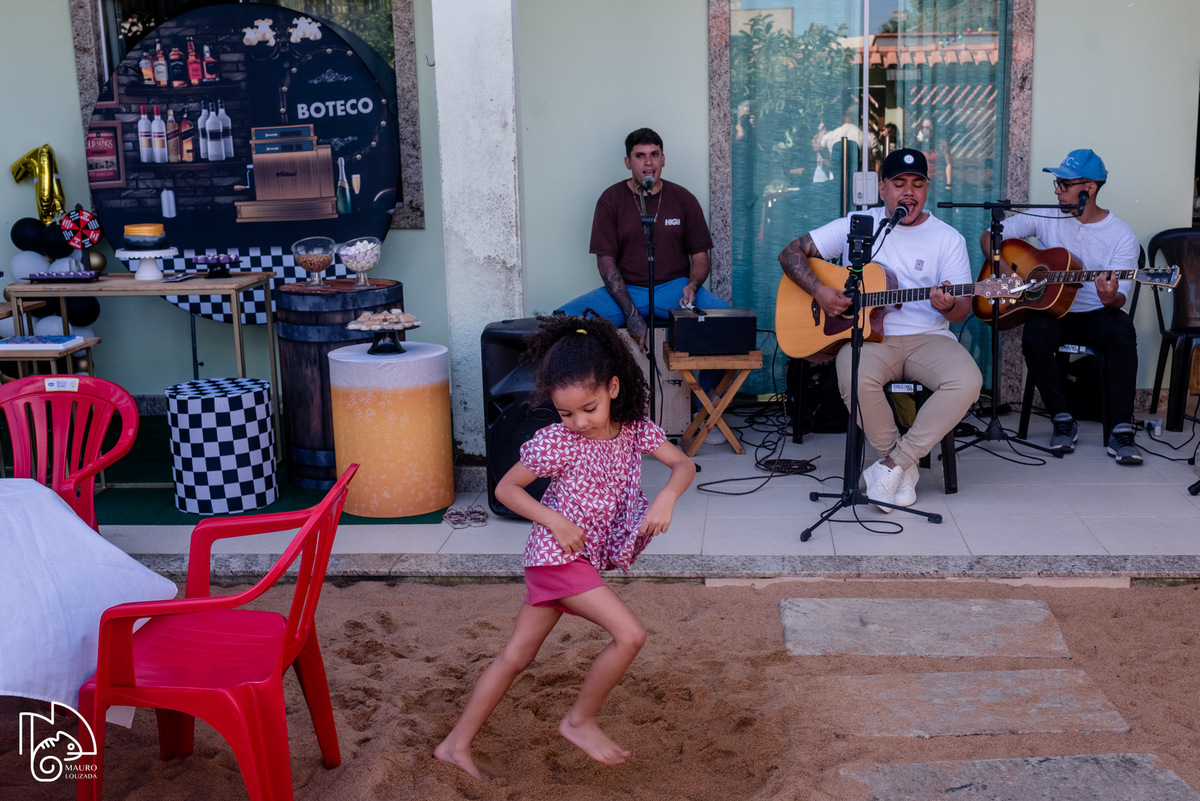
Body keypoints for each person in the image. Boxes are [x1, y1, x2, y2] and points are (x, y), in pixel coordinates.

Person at [434, 314, 696, 780]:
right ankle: (579, 720)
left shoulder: (634, 428)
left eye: (588, 408)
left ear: (614, 388)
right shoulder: (559, 442)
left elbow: (683, 465)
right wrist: (554, 519)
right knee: (630, 635)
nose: (577, 422)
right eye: (565, 412)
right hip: (555, 557)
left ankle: (455, 745)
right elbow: (507, 489)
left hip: (572, 559)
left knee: (516, 656)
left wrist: (667, 496)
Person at [777, 148, 982, 511]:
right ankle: (900, 468)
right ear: (883, 188)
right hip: (871, 338)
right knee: (852, 373)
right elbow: (791, 252)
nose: (909, 192)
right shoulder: (859, 225)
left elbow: (962, 310)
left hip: (929, 338)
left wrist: (949, 304)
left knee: (967, 380)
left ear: (926, 189)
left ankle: (891, 465)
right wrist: (819, 290)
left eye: (917, 184)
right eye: (899, 183)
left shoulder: (947, 238)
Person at [980, 148, 1141, 464]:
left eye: (1063, 185)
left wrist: (1110, 296)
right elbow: (990, 237)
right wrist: (1005, 270)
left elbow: (1119, 296)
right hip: (1054, 311)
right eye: (1057, 183)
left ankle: (1122, 429)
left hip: (1098, 312)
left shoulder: (1121, 235)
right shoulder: (1046, 216)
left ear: (1089, 188)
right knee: (1035, 337)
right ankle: (1062, 418)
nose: (1056, 190)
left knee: (1123, 334)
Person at [557, 128, 728, 351]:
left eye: (654, 154)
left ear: (663, 159)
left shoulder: (683, 198)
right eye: (640, 156)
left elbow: (700, 257)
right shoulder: (611, 199)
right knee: (560, 322)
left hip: (674, 289)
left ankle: (705, 388)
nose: (648, 163)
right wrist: (631, 313)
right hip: (627, 289)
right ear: (628, 162)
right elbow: (606, 264)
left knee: (729, 321)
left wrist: (692, 286)